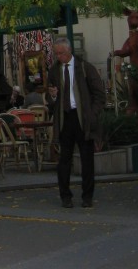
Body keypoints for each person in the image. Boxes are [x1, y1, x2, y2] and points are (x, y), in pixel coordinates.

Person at [46, 37, 105, 209]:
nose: (59, 57)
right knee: (64, 159)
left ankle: (87, 196)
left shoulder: (85, 68)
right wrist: (53, 95)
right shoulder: (54, 71)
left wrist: (91, 114)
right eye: (56, 54)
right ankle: (65, 196)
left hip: (82, 118)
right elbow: (49, 100)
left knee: (87, 159)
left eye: (61, 53)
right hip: (65, 117)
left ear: (69, 51)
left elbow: (99, 95)